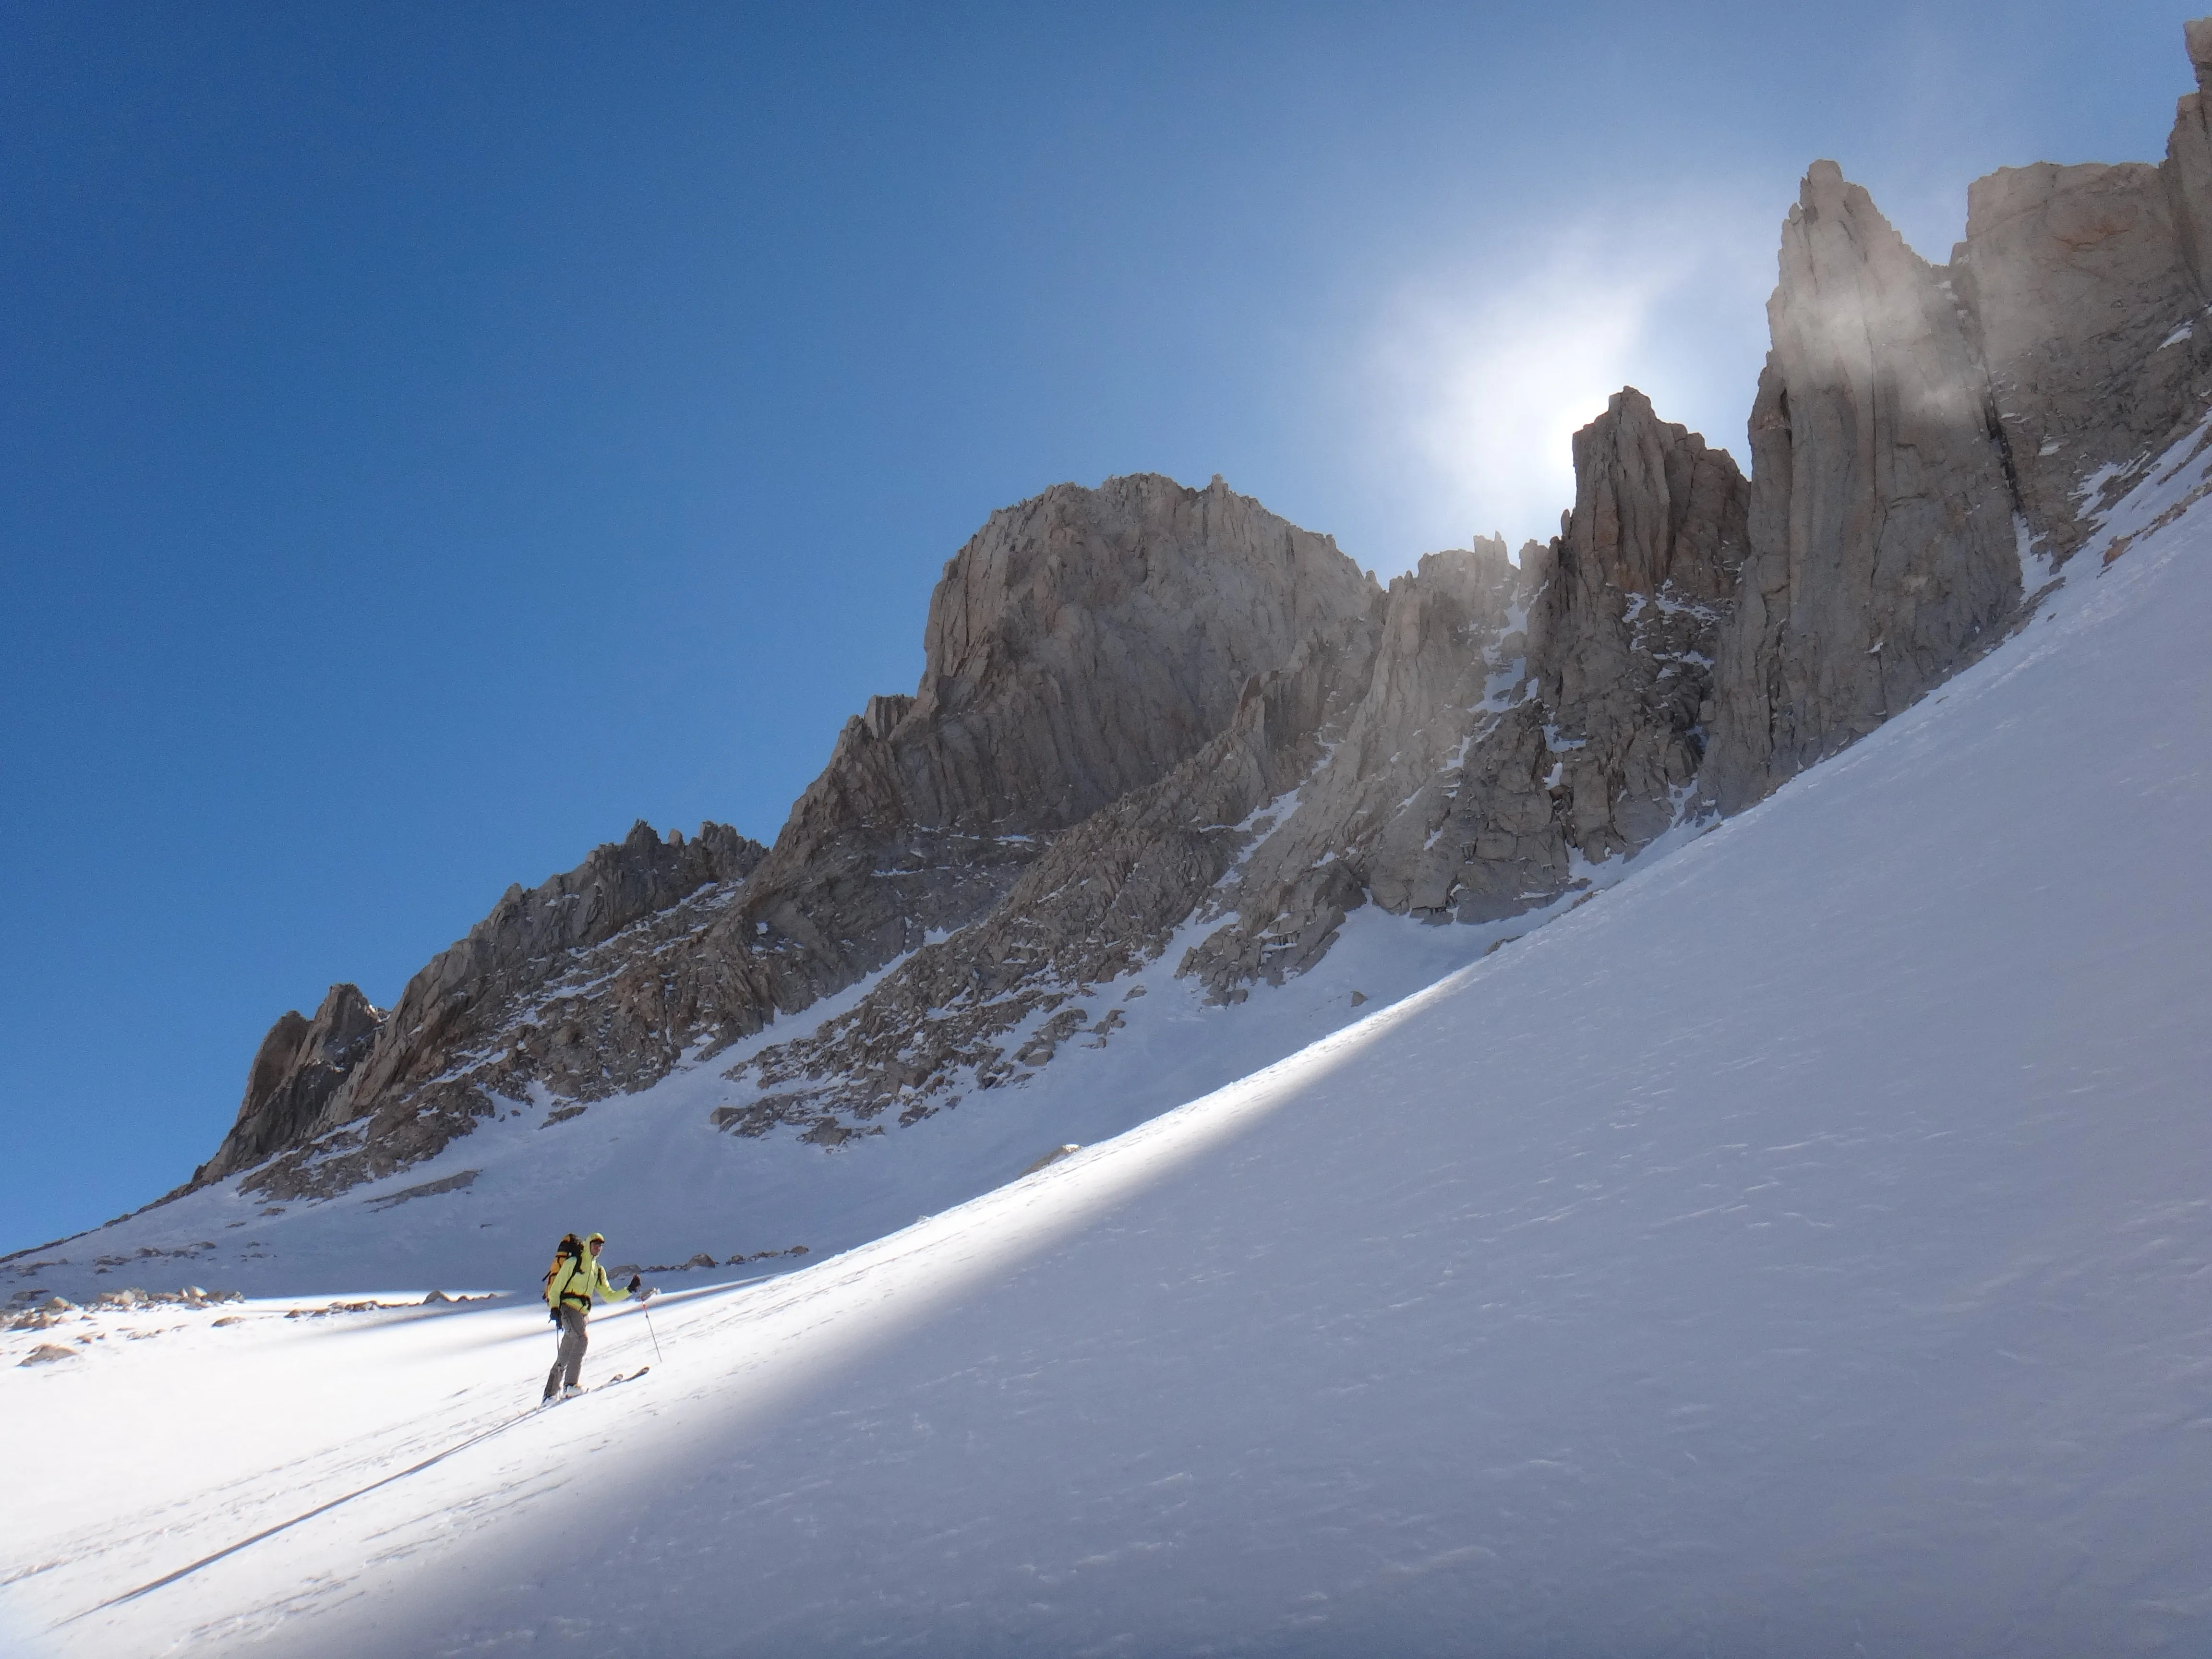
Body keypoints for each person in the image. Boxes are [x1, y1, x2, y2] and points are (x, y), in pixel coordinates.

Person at [542, 1231, 643, 1402]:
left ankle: (550, 1395)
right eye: (595, 1245)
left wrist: (630, 1290)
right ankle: (570, 1386)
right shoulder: (573, 1263)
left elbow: (609, 1296)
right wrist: (555, 1309)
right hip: (568, 1309)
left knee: (565, 1353)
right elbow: (556, 1289)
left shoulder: (598, 1270)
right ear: (588, 1244)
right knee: (582, 1340)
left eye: (600, 1246)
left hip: (582, 1315)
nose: (598, 1248)